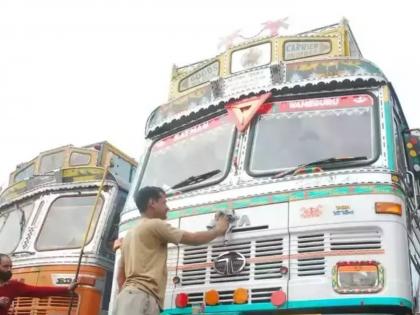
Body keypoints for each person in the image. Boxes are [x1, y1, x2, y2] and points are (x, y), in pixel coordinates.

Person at [114, 186, 229, 315]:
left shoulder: (130, 234)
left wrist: (126, 299)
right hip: (142, 296)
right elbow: (193, 238)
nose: (167, 207)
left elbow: (120, 276)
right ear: (152, 203)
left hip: (127, 297)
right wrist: (218, 230)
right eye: (164, 202)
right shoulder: (155, 224)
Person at [0, 253, 78, 315]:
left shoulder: (13, 286)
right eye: (5, 266)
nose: (9, 270)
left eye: (11, 267)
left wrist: (66, 289)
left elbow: (38, 290)